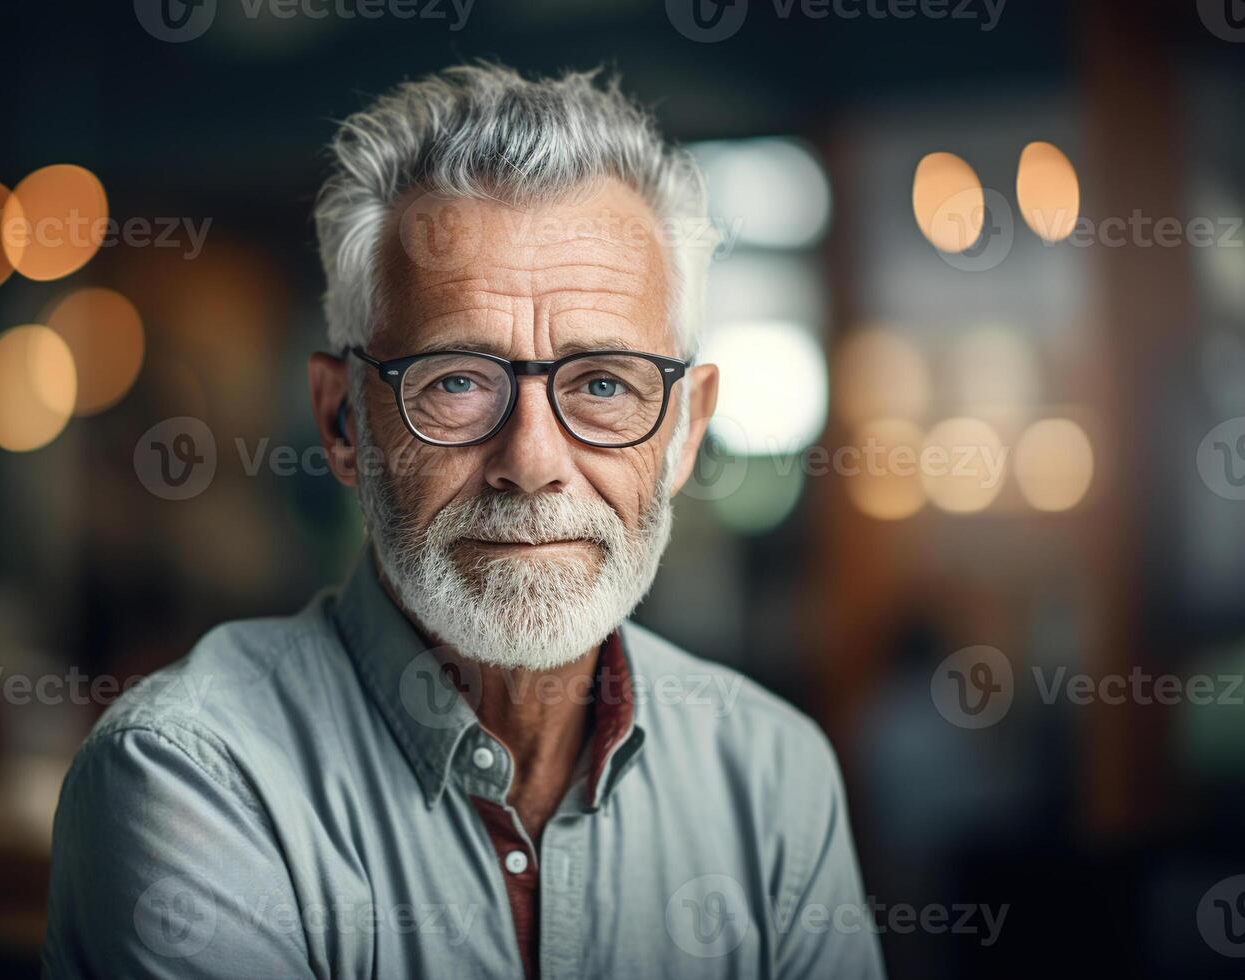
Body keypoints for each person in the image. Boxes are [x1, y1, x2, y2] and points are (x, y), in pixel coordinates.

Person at [43, 62, 884, 980]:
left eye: (603, 384)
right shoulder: (192, 776)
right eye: (456, 381)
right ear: (342, 422)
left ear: (684, 434)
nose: (531, 464)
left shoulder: (772, 776)